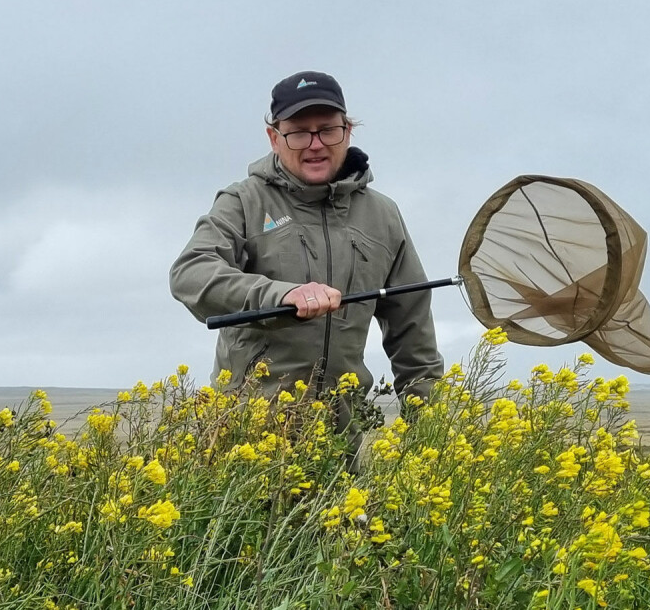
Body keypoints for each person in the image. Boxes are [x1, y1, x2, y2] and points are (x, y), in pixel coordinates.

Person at [169, 70, 444, 443]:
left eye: (327, 129)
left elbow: (413, 335)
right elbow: (191, 272)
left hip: (339, 444)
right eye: (298, 132)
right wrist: (280, 296)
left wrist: (431, 435)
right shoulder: (244, 201)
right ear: (274, 137)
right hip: (244, 441)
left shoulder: (383, 216)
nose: (315, 144)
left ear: (348, 130)